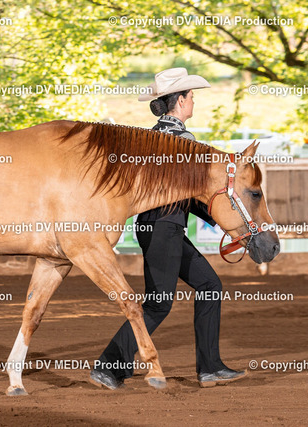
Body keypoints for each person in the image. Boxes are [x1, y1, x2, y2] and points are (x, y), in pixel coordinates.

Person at [90, 68, 246, 389]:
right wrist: (226, 224)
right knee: (159, 303)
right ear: (180, 100)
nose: (194, 102)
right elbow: (195, 195)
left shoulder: (148, 138)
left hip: (158, 227)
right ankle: (109, 365)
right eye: (191, 96)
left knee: (209, 285)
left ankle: (210, 367)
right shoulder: (185, 142)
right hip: (165, 228)